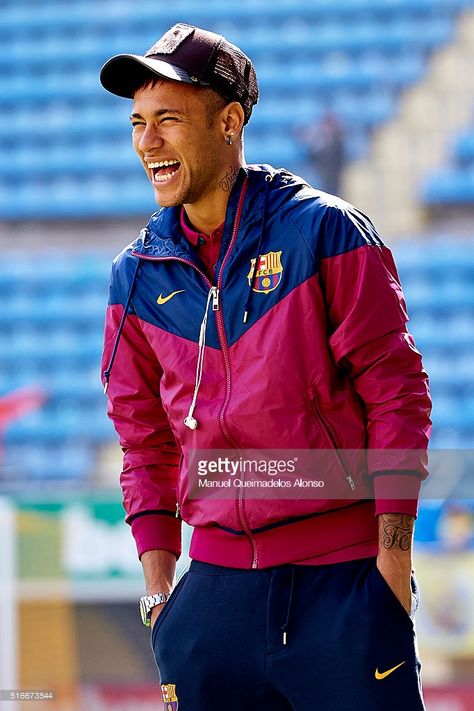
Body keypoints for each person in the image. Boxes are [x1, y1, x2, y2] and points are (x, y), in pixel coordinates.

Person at [100, 23, 431, 711]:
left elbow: (398, 396)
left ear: (229, 122)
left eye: (168, 120)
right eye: (138, 123)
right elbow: (143, 441)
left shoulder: (327, 233)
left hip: (343, 587)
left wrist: (392, 562)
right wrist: (162, 590)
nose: (147, 142)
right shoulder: (135, 276)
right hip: (212, 598)